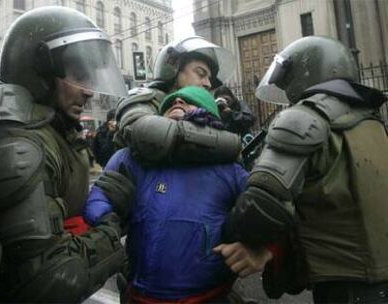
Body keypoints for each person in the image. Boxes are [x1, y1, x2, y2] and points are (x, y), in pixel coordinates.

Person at [0, 7, 129, 302]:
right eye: (79, 74)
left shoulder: (51, 132)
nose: (89, 91)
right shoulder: (17, 147)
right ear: (39, 73)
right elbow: (50, 281)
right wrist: (112, 230)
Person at [225, 36, 388, 303]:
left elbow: (261, 209)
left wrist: (226, 231)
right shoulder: (371, 119)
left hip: (345, 285)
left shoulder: (305, 117)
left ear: (302, 72)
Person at [84, 86, 272, 302]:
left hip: (209, 297)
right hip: (139, 297)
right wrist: (105, 219)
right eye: (170, 103)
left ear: (210, 115)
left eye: (191, 100)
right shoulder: (132, 159)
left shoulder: (228, 170)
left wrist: (260, 250)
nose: (178, 100)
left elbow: (270, 212)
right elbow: (100, 196)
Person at [113, 36, 242, 166]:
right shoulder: (143, 97)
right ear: (173, 69)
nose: (208, 84)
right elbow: (148, 135)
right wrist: (232, 146)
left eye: (210, 79)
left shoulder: (207, 108)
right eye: (200, 73)